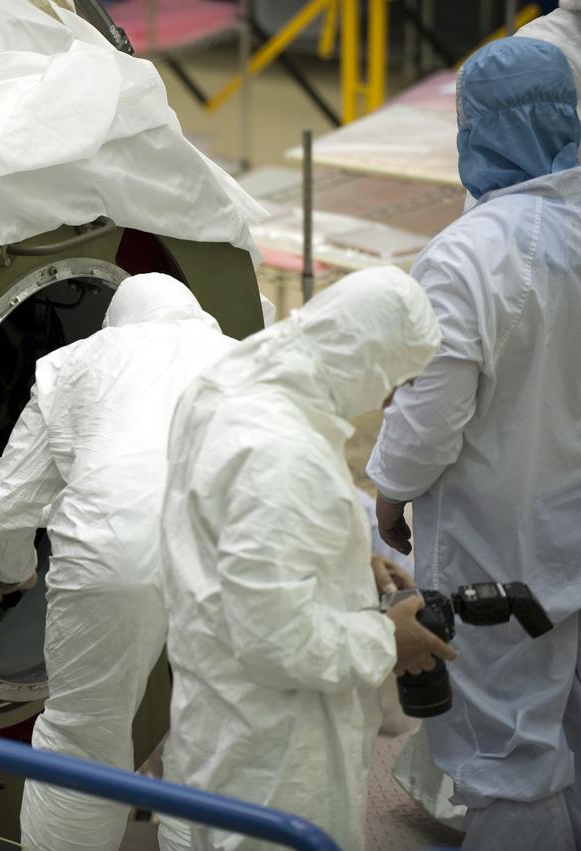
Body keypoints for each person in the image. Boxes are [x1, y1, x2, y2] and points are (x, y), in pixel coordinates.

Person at [156, 266, 456, 851]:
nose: (391, 399)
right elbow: (275, 638)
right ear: (365, 356)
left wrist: (349, 565)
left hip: (220, 712)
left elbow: (238, 547)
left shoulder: (232, 388)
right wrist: (387, 640)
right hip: (278, 753)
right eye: (396, 380)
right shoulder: (283, 454)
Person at [367, 37, 581, 850]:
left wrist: (388, 495)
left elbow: (428, 421)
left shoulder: (469, 256)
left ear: (475, 131)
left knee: (510, 755)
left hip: (506, 554)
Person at [0, 273, 237, 851]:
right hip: (231, 551)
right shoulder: (245, 360)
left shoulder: (75, 363)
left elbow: (2, 510)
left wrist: (10, 571)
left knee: (82, 741)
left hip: (112, 549)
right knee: (216, 739)